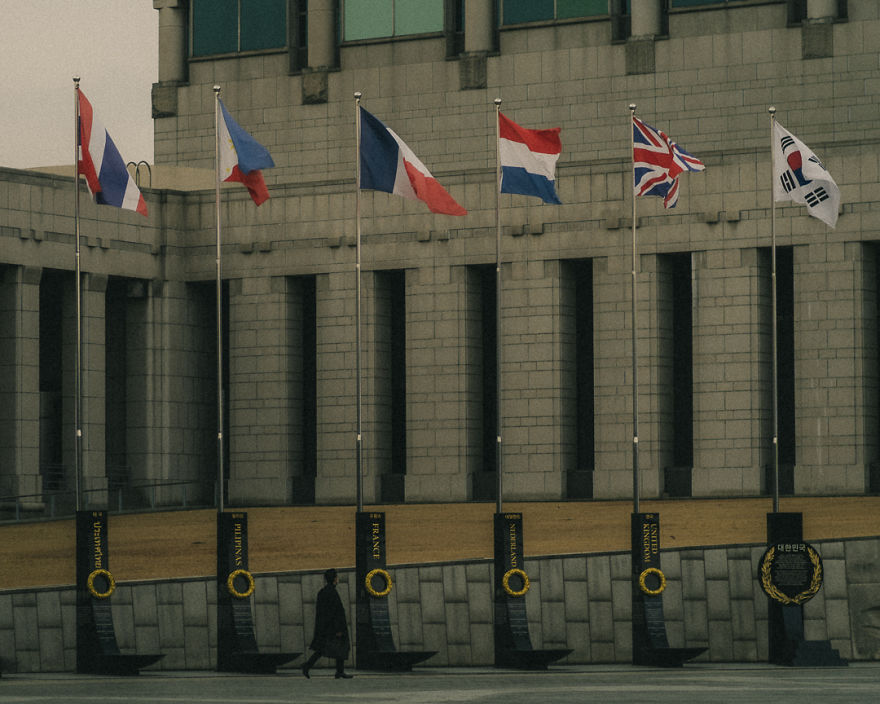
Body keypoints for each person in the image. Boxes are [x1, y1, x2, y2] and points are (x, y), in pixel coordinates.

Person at [302, 568, 353, 679]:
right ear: (335, 579)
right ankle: (338, 671)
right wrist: (338, 629)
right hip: (334, 628)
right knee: (339, 648)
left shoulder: (323, 592)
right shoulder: (332, 593)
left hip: (325, 627)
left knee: (322, 649)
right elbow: (335, 612)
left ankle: (308, 666)